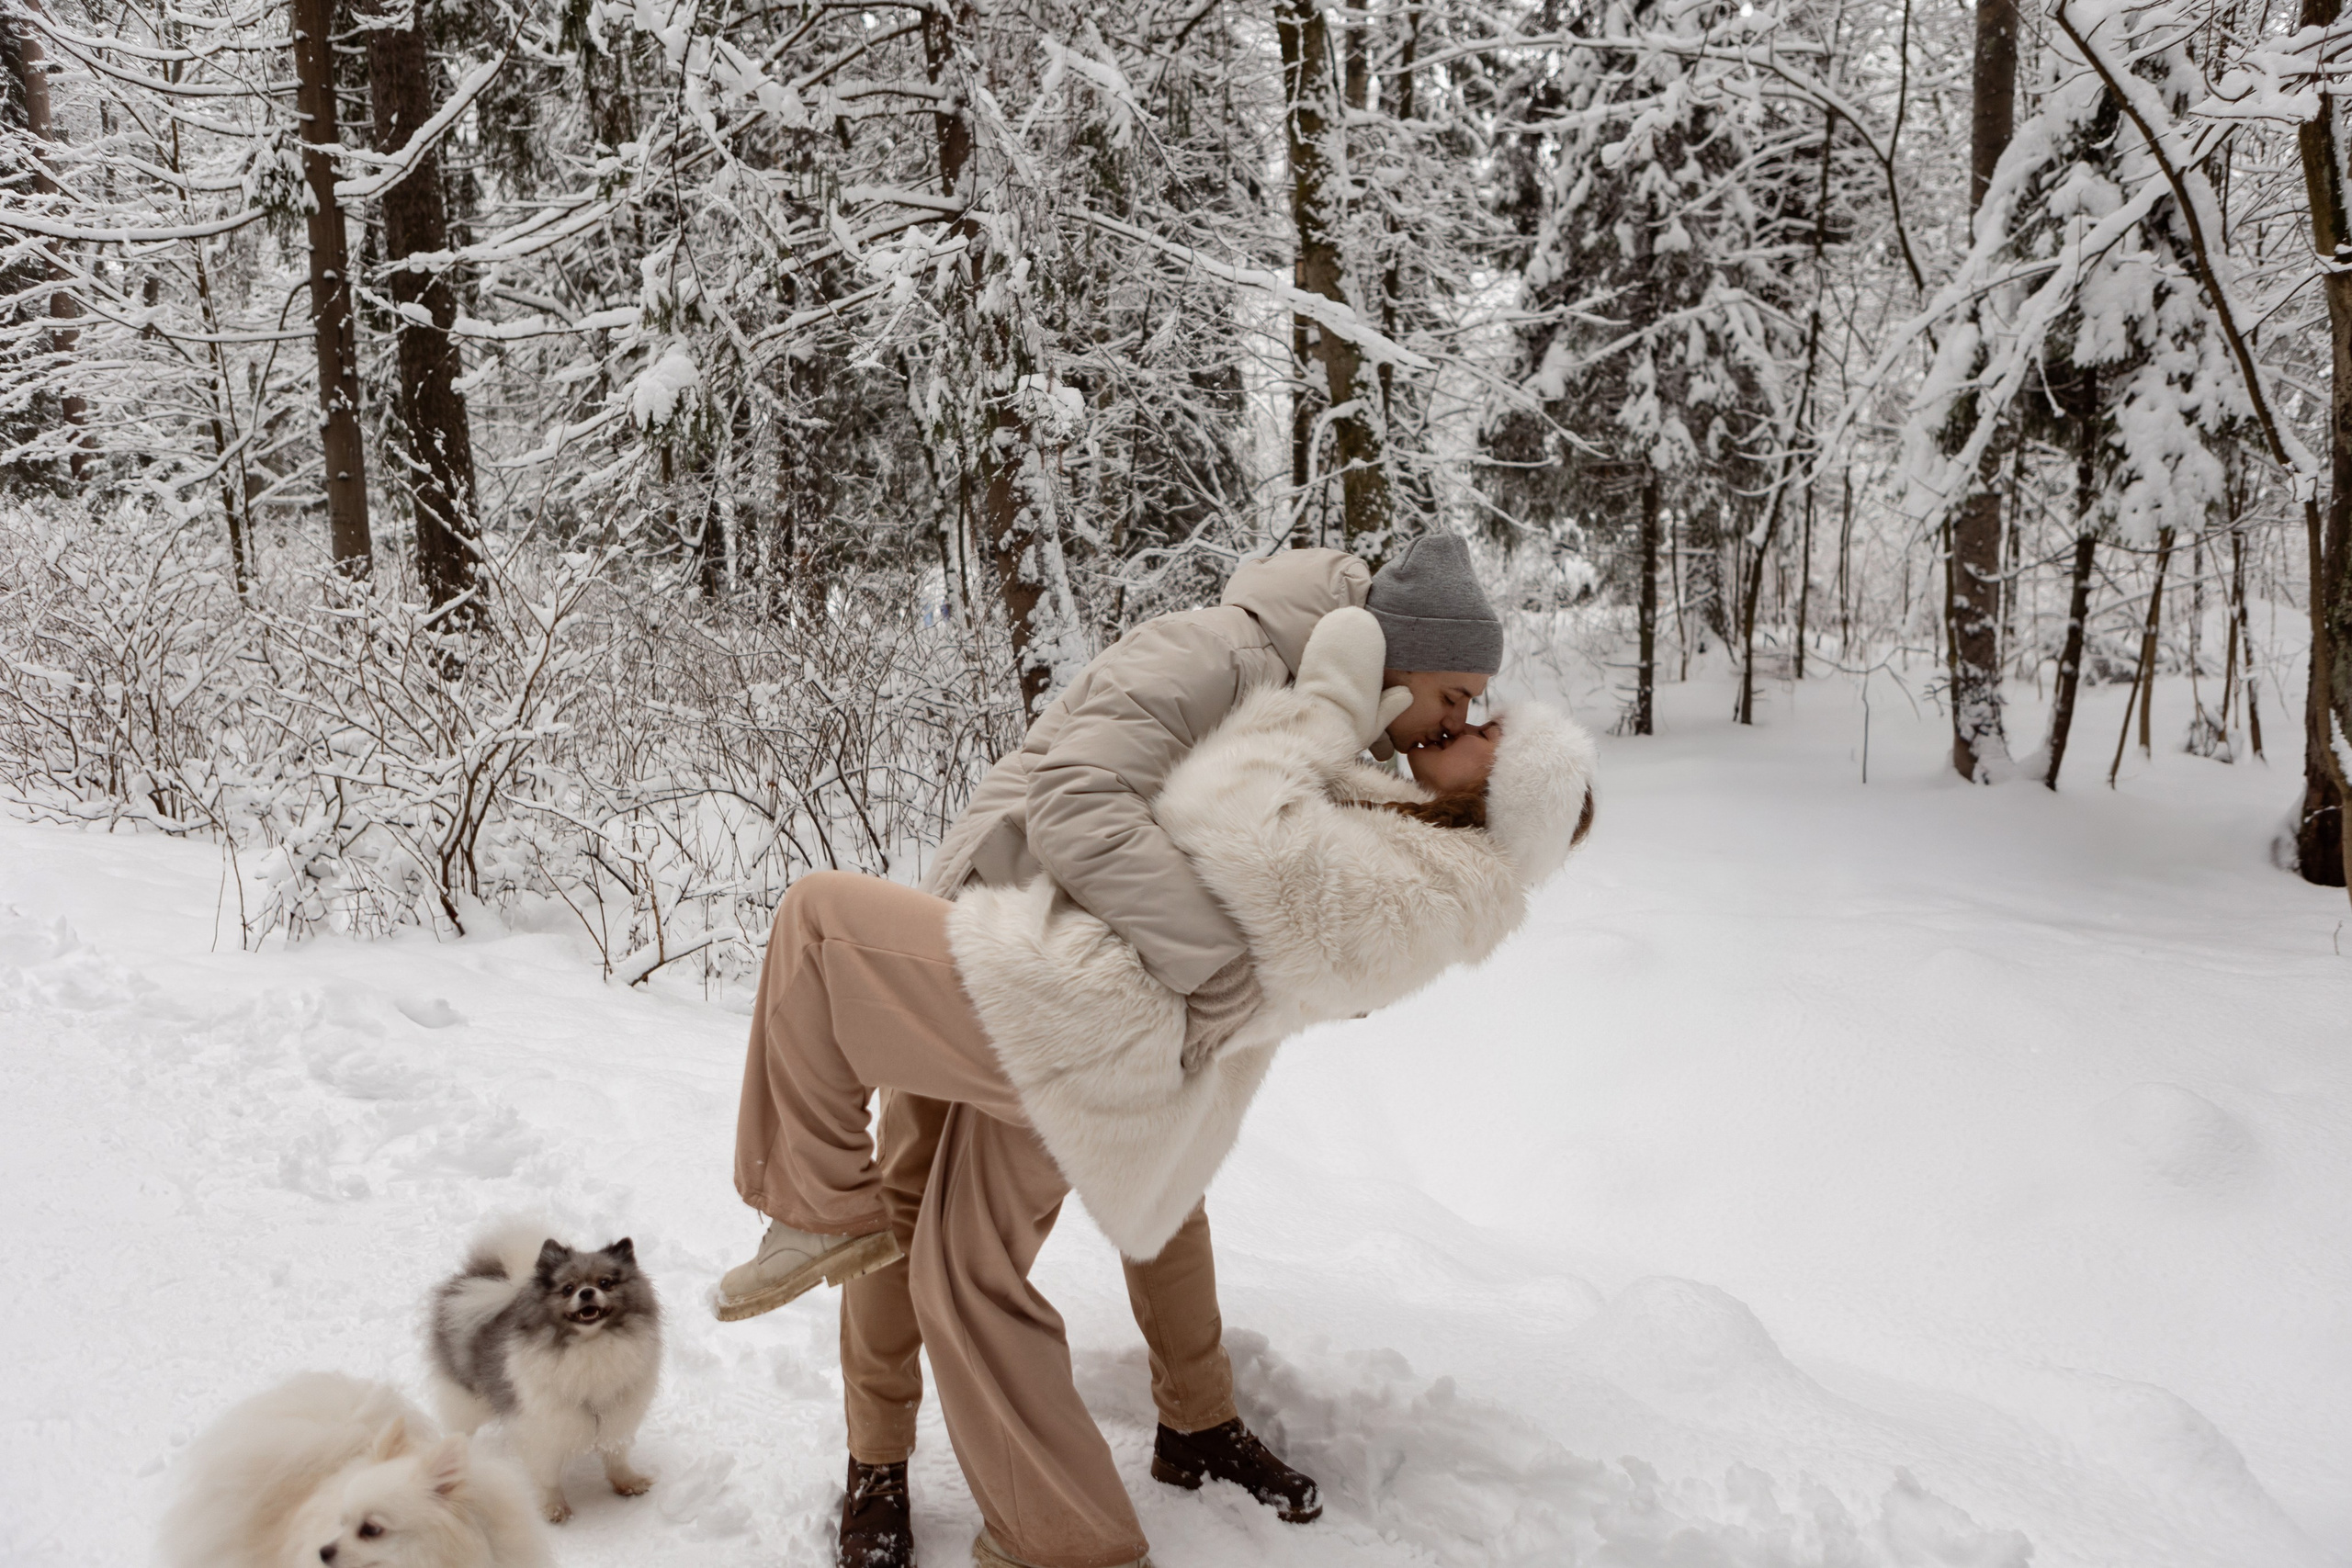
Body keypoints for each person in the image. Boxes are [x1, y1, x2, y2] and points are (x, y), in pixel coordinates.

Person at [721, 602, 1598, 1568]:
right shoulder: (1350, 766)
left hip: (1078, 1001)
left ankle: (1056, 1497)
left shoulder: (1422, 865)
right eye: (1465, 701)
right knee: (953, 1239)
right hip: (1061, 954)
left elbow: (1224, 824)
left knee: (830, 960)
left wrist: (1326, 710)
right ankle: (1013, 1504)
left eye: (1484, 728)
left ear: (1504, 800)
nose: (1464, 721)